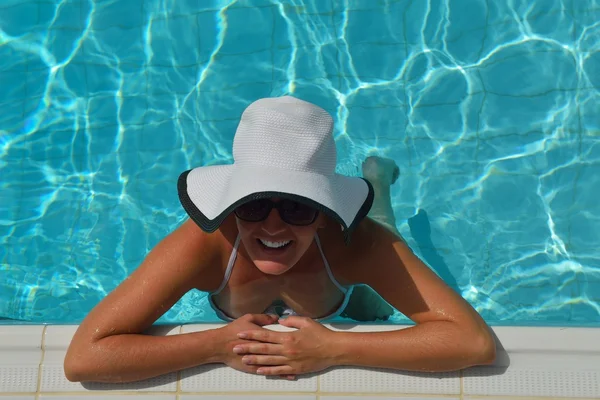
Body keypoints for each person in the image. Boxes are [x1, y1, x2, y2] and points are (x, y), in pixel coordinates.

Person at [64, 96, 496, 383]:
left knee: (382, 228)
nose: (272, 227)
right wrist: (217, 345)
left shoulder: (358, 242)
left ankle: (375, 183)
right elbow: (85, 357)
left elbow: (471, 342)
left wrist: (335, 347)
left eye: (298, 207)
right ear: (230, 206)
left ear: (325, 215)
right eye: (252, 206)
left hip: (350, 303)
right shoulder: (205, 243)